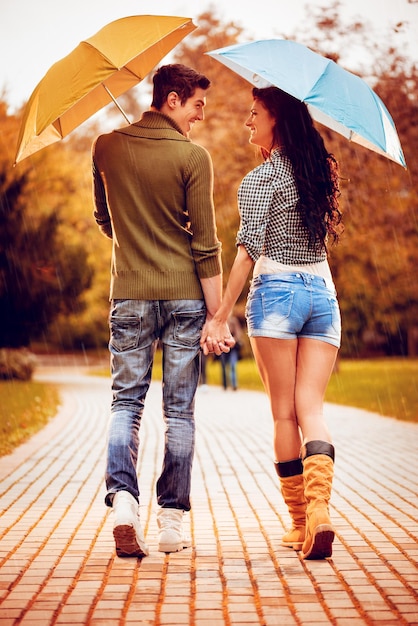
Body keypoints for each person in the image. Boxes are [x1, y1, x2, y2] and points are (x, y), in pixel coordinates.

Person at [92, 64, 229, 558]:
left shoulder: (105, 146)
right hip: (185, 298)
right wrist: (218, 315)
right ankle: (171, 519)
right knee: (179, 411)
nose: (198, 118)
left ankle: (124, 502)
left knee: (125, 403)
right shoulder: (193, 158)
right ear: (172, 99)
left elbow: (105, 219)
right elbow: (207, 245)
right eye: (196, 106)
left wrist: (138, 237)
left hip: (129, 292)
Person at [201, 86, 342, 560]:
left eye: (254, 113)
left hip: (277, 294)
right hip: (322, 294)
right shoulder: (319, 171)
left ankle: (302, 522)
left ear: (276, 119)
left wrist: (221, 316)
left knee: (284, 414)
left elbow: (247, 252)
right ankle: (321, 510)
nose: (247, 122)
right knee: (312, 409)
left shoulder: (260, 179)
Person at [218, 315, 242, 390]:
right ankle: (225, 385)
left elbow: (238, 333)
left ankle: (234, 384)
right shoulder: (220, 320)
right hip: (223, 346)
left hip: (233, 347)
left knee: (233, 365)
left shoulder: (233, 321)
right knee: (223, 366)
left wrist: (234, 340)